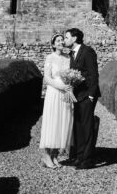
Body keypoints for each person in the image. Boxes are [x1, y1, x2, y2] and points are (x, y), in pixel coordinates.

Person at [63, 28, 100, 169]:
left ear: (74, 38)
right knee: (78, 127)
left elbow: (93, 74)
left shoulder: (87, 51)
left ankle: (87, 160)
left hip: (87, 96)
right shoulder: (72, 54)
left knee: (87, 127)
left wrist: (91, 95)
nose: (65, 40)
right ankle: (79, 156)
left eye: (67, 37)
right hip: (77, 95)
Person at [38, 33, 74, 169]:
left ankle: (55, 155)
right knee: (53, 122)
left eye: (62, 40)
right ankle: (47, 156)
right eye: (58, 41)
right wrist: (61, 86)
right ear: (53, 44)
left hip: (66, 94)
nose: (61, 42)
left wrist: (70, 85)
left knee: (62, 123)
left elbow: (71, 74)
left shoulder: (68, 57)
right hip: (54, 92)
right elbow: (47, 78)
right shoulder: (50, 58)